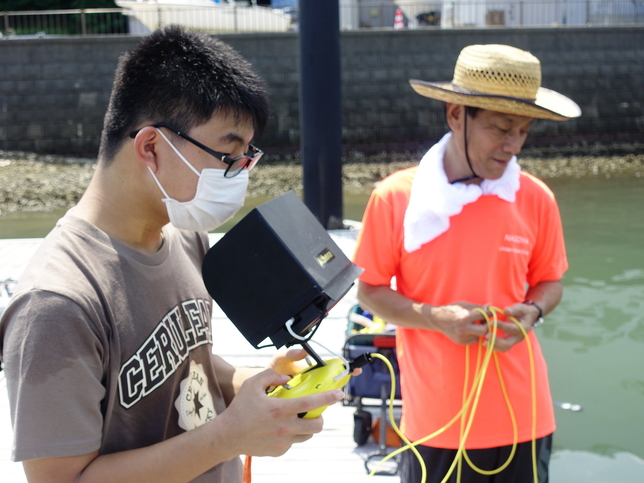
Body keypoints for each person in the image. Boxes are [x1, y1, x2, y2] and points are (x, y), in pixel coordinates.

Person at [0, 26, 344, 483]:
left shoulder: (184, 236)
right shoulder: (56, 304)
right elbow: (61, 479)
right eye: (227, 155)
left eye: (247, 158)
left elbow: (186, 360)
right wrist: (230, 436)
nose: (239, 175)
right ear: (150, 147)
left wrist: (246, 385)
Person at [352, 44, 581, 483]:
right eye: (500, 128)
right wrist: (434, 318)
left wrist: (532, 312)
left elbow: (550, 281)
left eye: (524, 131)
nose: (512, 145)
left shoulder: (536, 198)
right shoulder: (396, 197)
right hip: (435, 422)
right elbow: (370, 291)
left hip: (526, 417)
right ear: (456, 115)